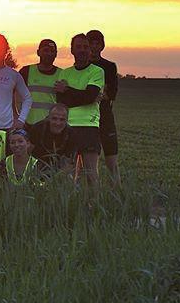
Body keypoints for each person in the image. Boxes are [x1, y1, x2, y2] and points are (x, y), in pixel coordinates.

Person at [54, 33, 105, 187]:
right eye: (78, 47)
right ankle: (70, 207)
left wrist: (69, 90)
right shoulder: (65, 73)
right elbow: (62, 102)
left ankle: (94, 208)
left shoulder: (97, 71)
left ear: (90, 50)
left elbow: (89, 97)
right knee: (67, 174)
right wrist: (85, 97)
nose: (82, 50)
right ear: (72, 50)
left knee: (91, 175)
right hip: (67, 127)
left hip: (89, 127)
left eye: (85, 47)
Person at [87, 29, 120, 184]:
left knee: (111, 158)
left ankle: (117, 193)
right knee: (86, 162)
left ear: (102, 46)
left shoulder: (109, 66)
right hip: (85, 118)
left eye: (97, 43)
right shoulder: (81, 66)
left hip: (105, 115)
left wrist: (89, 95)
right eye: (91, 43)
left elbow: (111, 93)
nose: (94, 47)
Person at [19, 39, 60, 127]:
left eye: (52, 51)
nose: (49, 54)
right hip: (27, 124)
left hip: (50, 126)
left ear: (56, 54)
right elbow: (15, 97)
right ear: (38, 52)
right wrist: (19, 118)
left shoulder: (62, 74)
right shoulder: (26, 71)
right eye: (46, 50)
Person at [29, 104, 78, 178]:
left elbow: (69, 164)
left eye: (62, 119)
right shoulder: (37, 128)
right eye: (54, 119)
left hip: (59, 169)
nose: (58, 123)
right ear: (48, 118)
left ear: (67, 120)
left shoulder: (71, 134)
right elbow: (28, 153)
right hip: (37, 166)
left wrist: (55, 180)